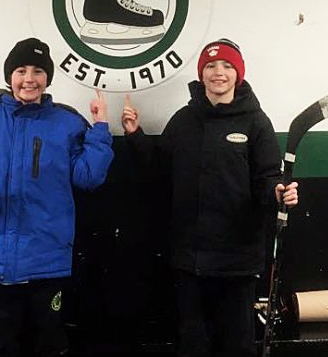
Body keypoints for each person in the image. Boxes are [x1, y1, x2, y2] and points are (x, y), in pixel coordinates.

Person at [121, 38, 299, 357]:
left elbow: (268, 179)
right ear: (202, 74)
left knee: (237, 346)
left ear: (238, 74)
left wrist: (278, 193)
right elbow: (159, 169)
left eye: (227, 66)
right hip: (190, 260)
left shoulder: (256, 122)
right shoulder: (184, 120)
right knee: (192, 346)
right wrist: (135, 135)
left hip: (238, 262)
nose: (219, 73)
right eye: (212, 66)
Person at [0, 37, 114, 357]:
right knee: (0, 347)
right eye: (21, 70)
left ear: (47, 78)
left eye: (38, 71)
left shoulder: (66, 121)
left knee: (49, 345)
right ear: (10, 76)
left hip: (47, 263)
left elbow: (89, 177)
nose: (29, 79)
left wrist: (101, 128)